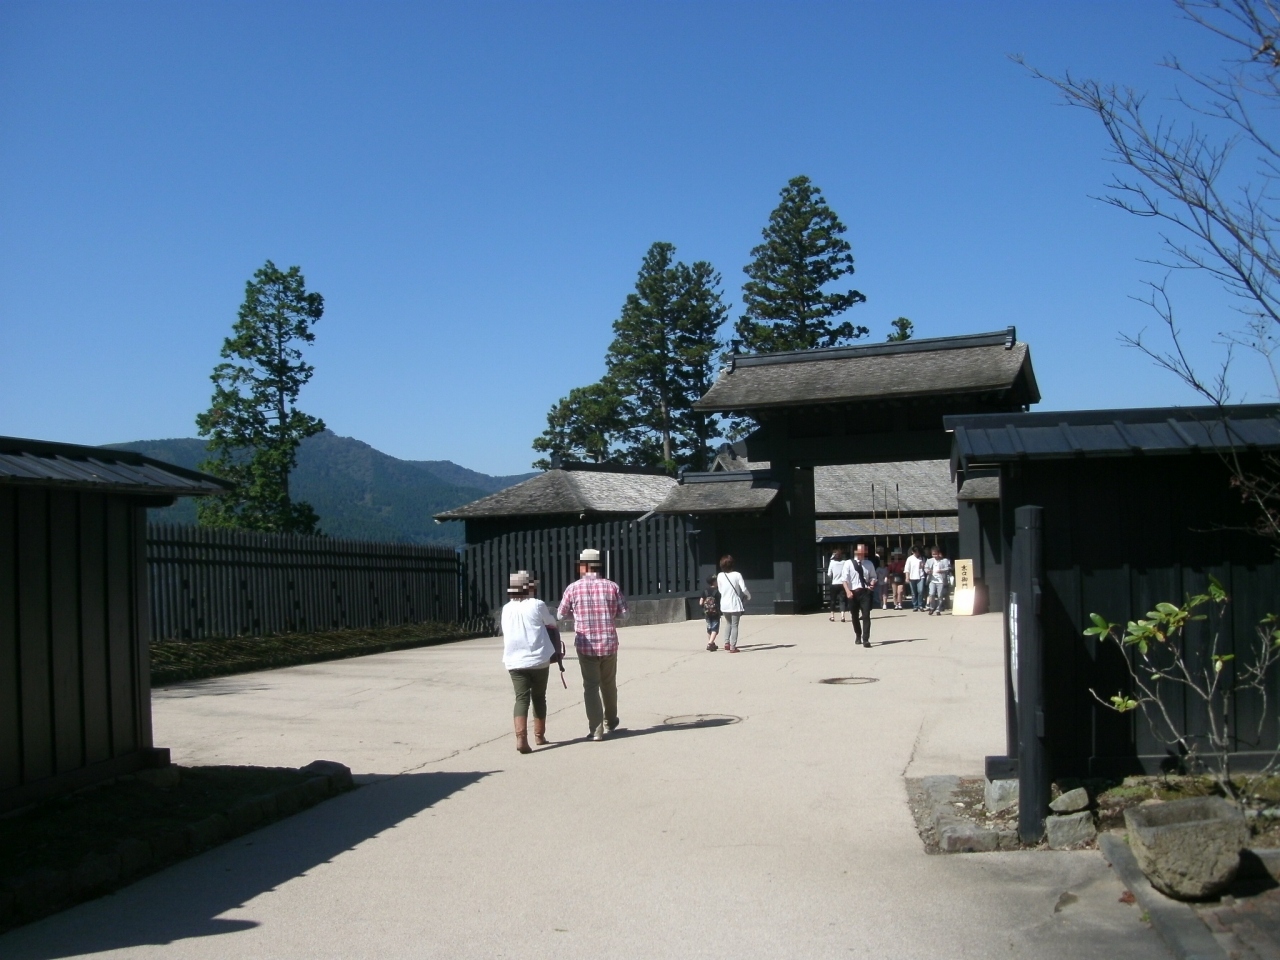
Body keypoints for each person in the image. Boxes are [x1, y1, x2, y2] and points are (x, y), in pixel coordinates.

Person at [558, 548, 627, 741]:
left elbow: (560, 615)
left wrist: (576, 615)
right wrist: (609, 614)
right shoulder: (612, 586)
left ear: (583, 566)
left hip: (585, 644)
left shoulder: (573, 588)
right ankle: (611, 721)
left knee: (591, 686)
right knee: (609, 683)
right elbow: (625, 614)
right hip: (609, 642)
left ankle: (596, 730)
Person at [501, 570, 558, 754]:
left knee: (521, 698)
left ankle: (521, 738)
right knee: (539, 697)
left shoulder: (506, 608)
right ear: (530, 587)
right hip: (538, 659)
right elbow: (552, 623)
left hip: (514, 660)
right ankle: (539, 736)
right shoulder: (537, 604)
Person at [841, 541, 877, 647]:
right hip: (852, 592)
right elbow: (844, 579)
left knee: (866, 615)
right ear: (856, 551)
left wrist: (872, 583)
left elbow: (873, 577)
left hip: (865, 592)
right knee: (854, 616)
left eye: (864, 551)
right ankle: (858, 634)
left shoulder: (869, 564)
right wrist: (847, 591)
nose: (862, 553)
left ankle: (866, 639)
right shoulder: (848, 563)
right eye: (860, 551)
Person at [716, 555, 751, 653]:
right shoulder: (737, 575)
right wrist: (748, 596)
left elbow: (720, 590)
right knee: (735, 625)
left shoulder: (720, 575)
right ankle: (733, 646)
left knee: (728, 623)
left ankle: (726, 642)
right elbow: (743, 589)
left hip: (724, 604)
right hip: (734, 604)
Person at [926, 545, 952, 616]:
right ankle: (932, 607)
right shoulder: (929, 560)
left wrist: (941, 570)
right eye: (933, 554)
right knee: (931, 594)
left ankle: (938, 609)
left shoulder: (944, 560)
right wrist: (928, 571)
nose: (934, 556)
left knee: (940, 595)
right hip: (932, 580)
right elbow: (926, 568)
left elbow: (949, 568)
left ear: (939, 553)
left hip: (941, 580)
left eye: (935, 554)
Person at [826, 548, 849, 622]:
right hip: (842, 583)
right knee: (842, 600)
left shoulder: (832, 563)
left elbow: (829, 574)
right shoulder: (844, 562)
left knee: (833, 600)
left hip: (834, 583)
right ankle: (842, 616)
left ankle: (832, 616)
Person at [700, 575, 721, 651]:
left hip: (707, 613)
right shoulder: (717, 592)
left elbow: (700, 602)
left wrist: (705, 607)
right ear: (714, 582)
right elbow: (719, 602)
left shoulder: (705, 591)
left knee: (709, 628)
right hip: (715, 612)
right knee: (715, 629)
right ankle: (710, 643)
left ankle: (712, 643)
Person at [905, 544, 926, 612]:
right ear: (913, 552)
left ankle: (920, 605)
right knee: (913, 592)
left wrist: (923, 566)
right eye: (915, 552)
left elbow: (925, 568)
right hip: (912, 577)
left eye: (918, 552)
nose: (917, 553)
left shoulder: (922, 558)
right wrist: (907, 577)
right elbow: (907, 568)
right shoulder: (910, 559)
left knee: (920, 591)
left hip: (921, 576)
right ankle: (915, 605)